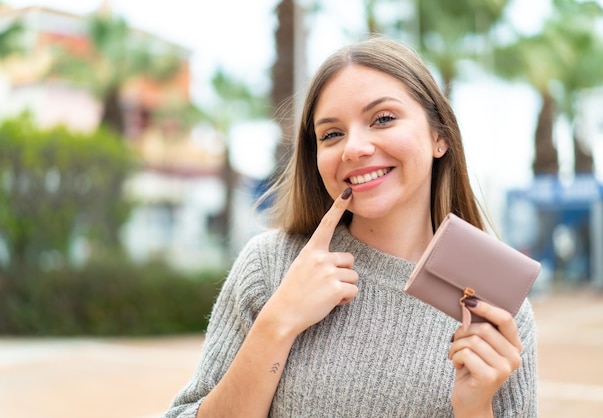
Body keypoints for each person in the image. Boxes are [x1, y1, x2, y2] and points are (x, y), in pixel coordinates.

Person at [163, 35, 537, 418]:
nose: (353, 148)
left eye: (383, 119)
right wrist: (278, 323)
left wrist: (475, 407)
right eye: (331, 134)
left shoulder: (496, 305)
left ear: (438, 135)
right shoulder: (271, 266)